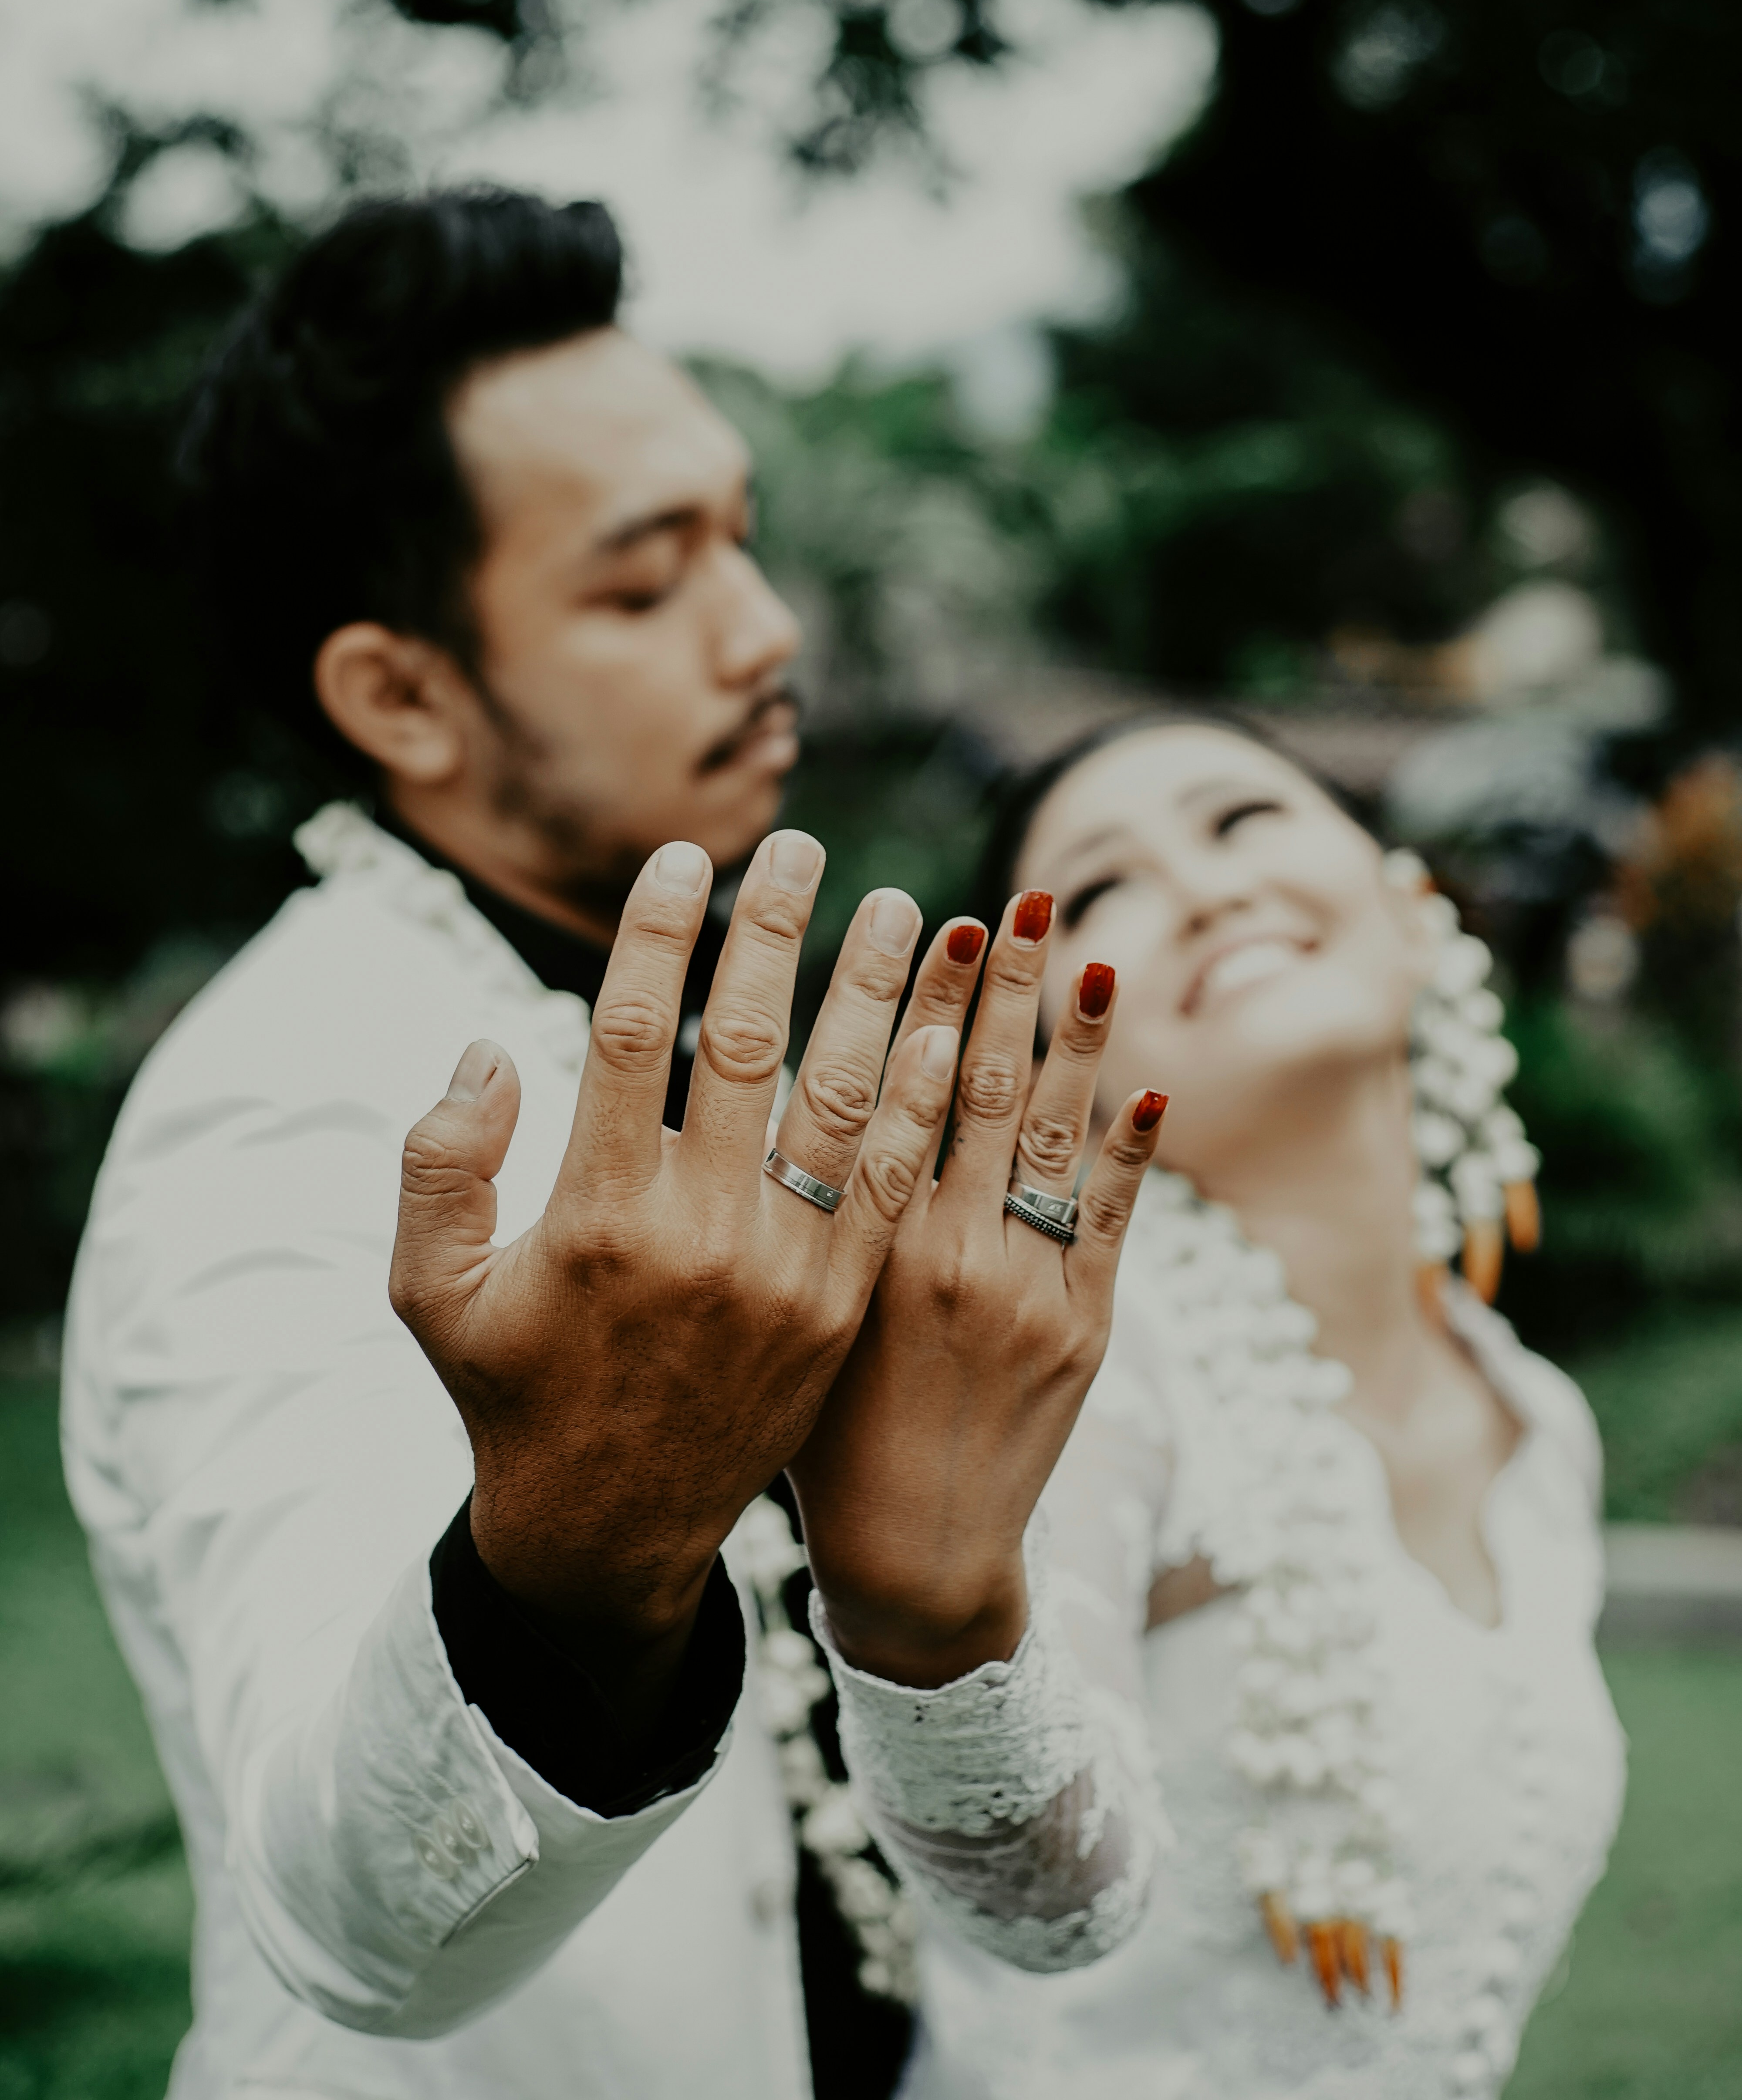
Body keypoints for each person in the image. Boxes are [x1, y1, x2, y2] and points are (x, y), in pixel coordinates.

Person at [60, 189, 1164, 2100]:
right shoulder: (300, 1107)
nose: (766, 629)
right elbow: (344, 1916)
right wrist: (578, 1558)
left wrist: (939, 1587)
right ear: (398, 693)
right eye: (646, 584)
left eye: (740, 541)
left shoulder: (711, 1042)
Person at [807, 716, 1626, 2100]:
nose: (1202, 886)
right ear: (1046, 1045)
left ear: (1412, 905)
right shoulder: (1103, 1383)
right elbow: (1037, 1895)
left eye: (1242, 820)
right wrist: (933, 1637)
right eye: (1108, 887)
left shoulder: (1542, 1426)